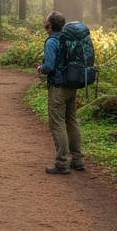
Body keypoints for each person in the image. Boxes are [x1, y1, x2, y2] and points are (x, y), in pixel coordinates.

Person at [36, 11, 85, 175]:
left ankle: (62, 162)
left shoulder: (52, 42)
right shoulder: (69, 39)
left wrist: (41, 69)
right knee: (72, 121)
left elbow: (49, 66)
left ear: (49, 25)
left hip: (58, 87)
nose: (45, 22)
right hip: (72, 85)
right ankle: (77, 159)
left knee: (57, 124)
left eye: (46, 20)